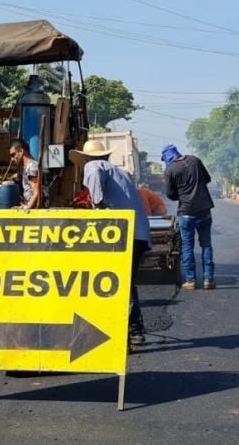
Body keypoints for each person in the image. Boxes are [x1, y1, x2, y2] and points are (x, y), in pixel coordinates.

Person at [69, 140, 151, 350]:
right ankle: (134, 331)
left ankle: (127, 334)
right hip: (139, 233)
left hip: (123, 235)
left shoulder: (93, 167)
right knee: (127, 284)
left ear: (86, 158)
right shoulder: (119, 172)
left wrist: (95, 209)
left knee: (119, 285)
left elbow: (97, 201)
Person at [162, 144, 215, 290]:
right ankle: (208, 279)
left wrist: (182, 192)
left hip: (186, 212)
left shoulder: (170, 169)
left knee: (187, 246)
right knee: (206, 244)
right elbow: (208, 179)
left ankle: (191, 281)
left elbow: (170, 195)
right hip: (204, 210)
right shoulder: (195, 160)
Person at [9, 139, 44, 209]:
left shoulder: (31, 167)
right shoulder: (26, 167)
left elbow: (36, 192)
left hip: (36, 212)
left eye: (13, 155)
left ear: (21, 151)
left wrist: (27, 208)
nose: (12, 159)